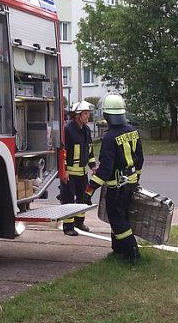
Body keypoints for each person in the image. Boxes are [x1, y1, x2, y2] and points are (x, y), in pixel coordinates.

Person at [84, 93, 143, 262]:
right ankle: (117, 250)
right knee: (122, 216)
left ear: (106, 115)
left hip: (116, 187)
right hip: (130, 183)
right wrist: (136, 179)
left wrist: (89, 191)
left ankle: (133, 254)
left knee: (117, 220)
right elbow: (140, 158)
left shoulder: (109, 137)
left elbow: (105, 170)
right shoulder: (133, 131)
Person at [59, 100, 97, 236]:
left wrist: (93, 166)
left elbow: (90, 149)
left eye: (88, 114)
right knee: (68, 198)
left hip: (82, 172)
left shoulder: (86, 130)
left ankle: (79, 222)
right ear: (77, 115)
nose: (88, 116)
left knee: (83, 197)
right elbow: (63, 152)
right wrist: (64, 170)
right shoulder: (68, 130)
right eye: (86, 114)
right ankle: (68, 227)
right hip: (69, 173)